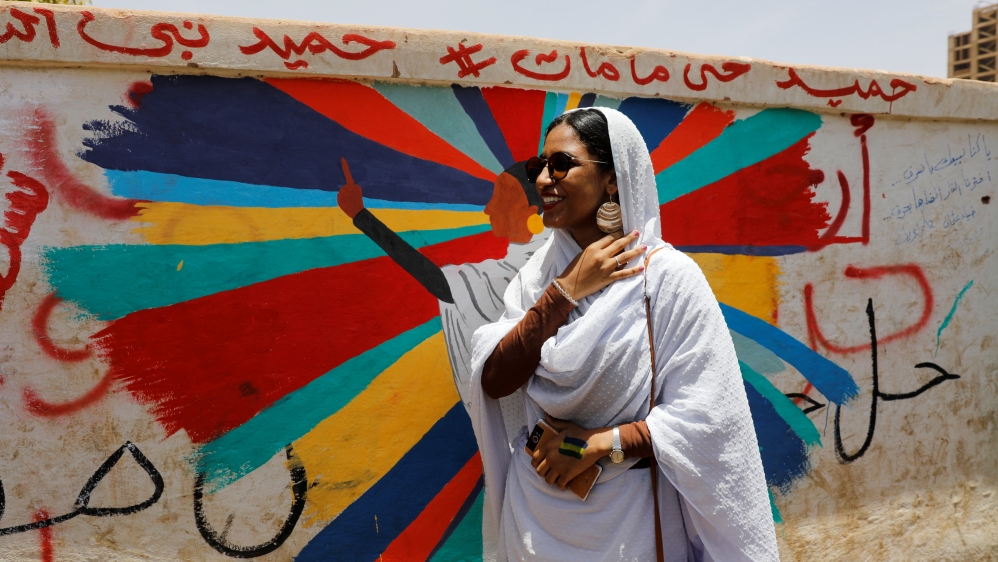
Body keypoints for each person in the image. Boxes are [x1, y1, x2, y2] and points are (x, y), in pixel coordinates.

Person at [468, 108, 779, 561]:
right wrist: (566, 291)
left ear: (613, 180)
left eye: (561, 165)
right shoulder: (537, 279)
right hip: (535, 518)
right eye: (539, 167)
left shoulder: (665, 279)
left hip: (627, 525)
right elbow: (495, 380)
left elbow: (709, 419)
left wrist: (598, 445)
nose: (542, 181)